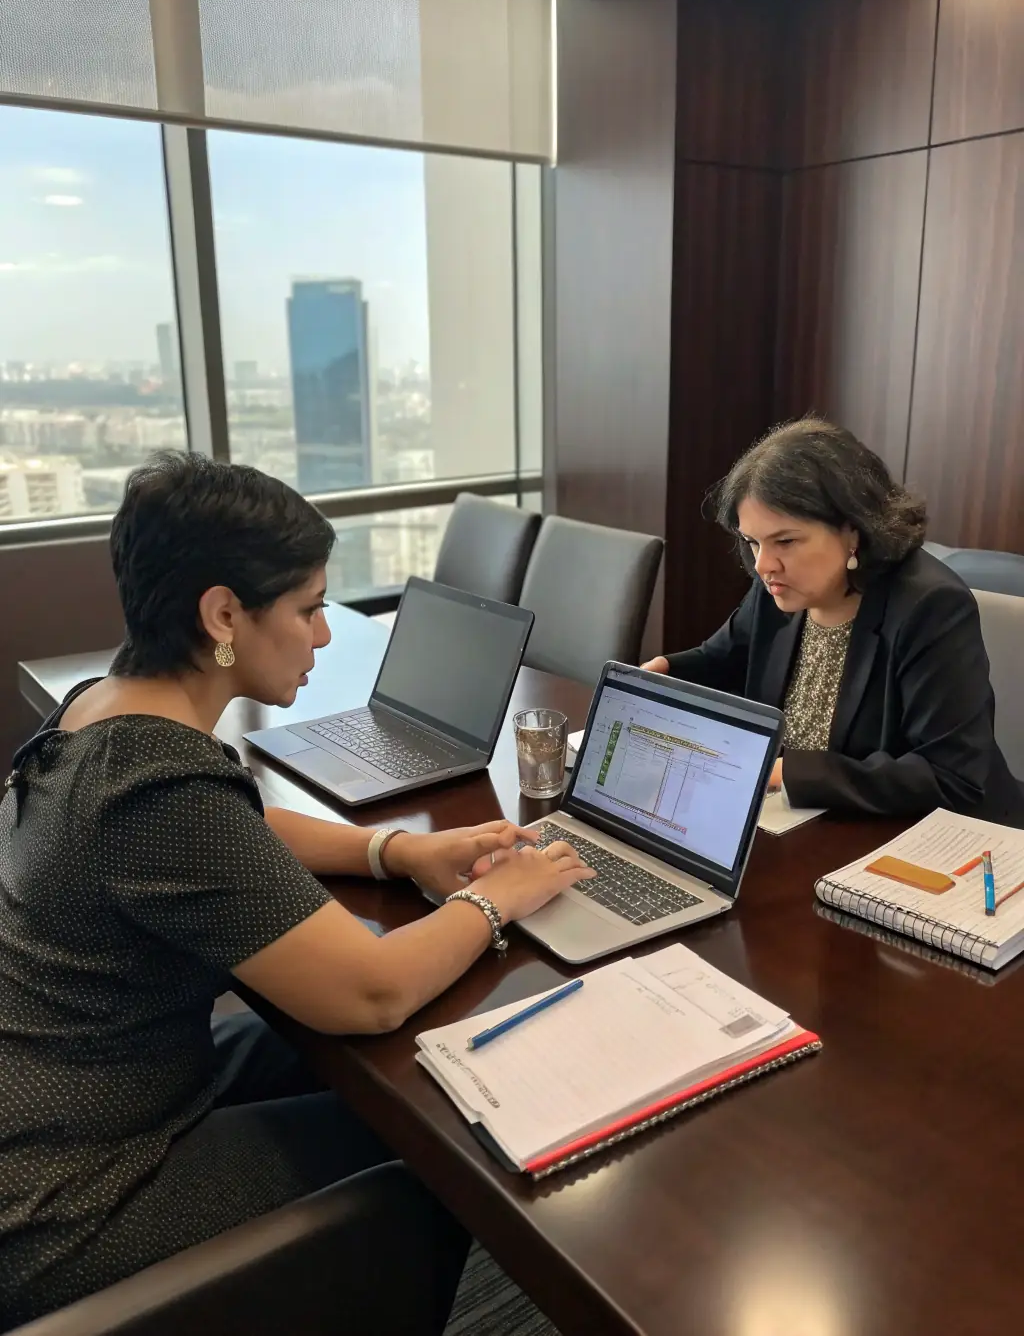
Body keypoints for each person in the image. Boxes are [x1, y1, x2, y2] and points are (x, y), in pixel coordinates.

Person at [0, 453, 594, 1328]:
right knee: (437, 1146)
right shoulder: (156, 783)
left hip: (70, 1107)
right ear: (223, 613)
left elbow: (233, 826)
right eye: (311, 607)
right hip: (73, 1201)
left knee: (410, 1077)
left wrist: (394, 852)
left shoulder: (100, 711)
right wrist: (500, 894)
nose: (324, 632)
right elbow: (373, 988)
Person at [645, 418, 1024, 824]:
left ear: (853, 531)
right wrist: (661, 674)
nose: (763, 564)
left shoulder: (931, 607)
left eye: (785, 541)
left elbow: (950, 775)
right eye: (752, 542)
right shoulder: (779, 585)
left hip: (941, 839)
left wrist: (787, 773)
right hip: (817, 821)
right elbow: (723, 659)